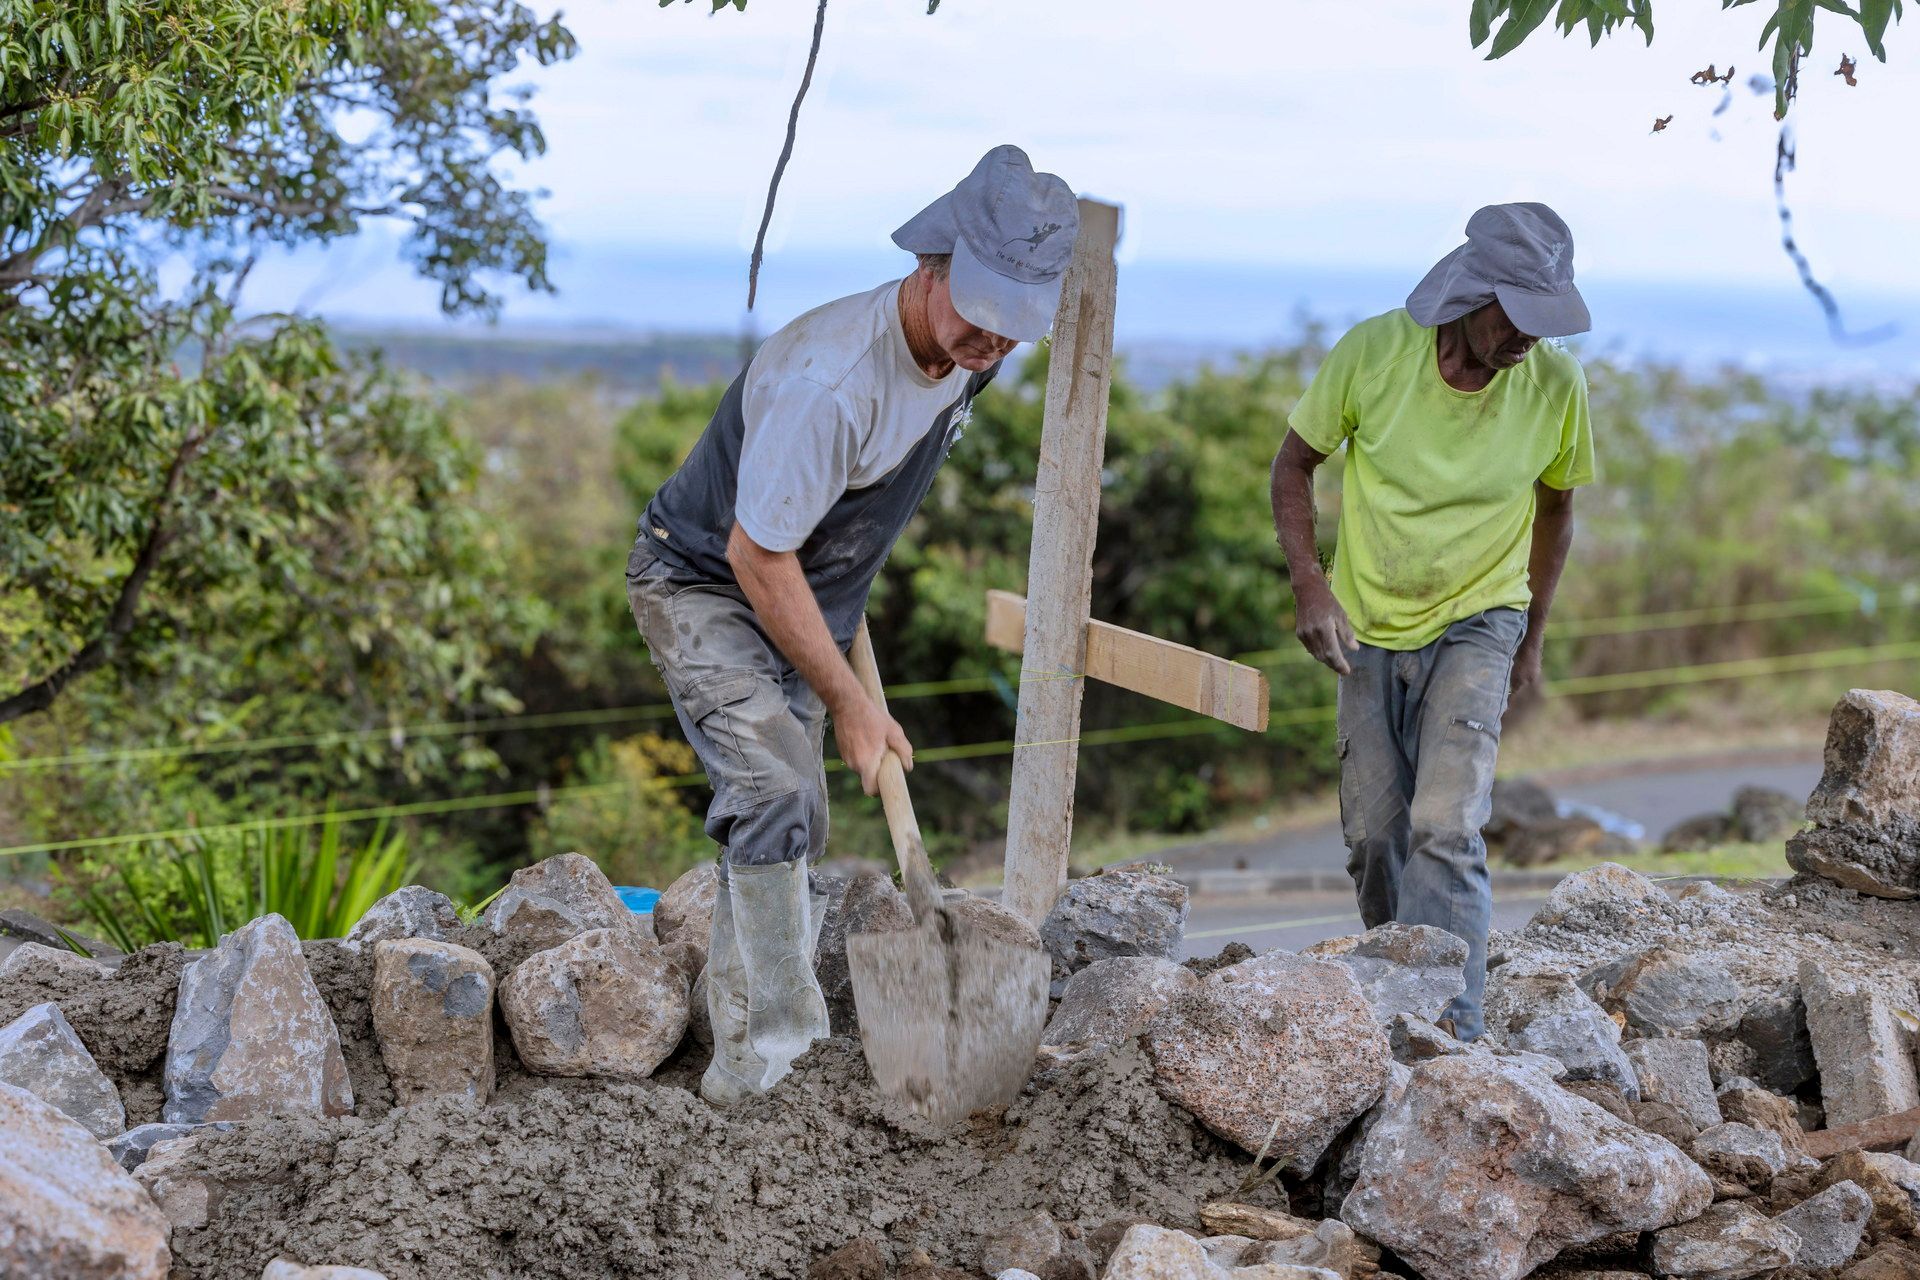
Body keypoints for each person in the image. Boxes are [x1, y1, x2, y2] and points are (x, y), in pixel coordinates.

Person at [624, 145, 1078, 1105]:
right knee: (779, 789)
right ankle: (777, 1062)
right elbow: (756, 556)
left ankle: (740, 1071)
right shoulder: (829, 384)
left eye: (1015, 323)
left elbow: (842, 508)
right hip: (708, 582)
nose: (994, 340)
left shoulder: (966, 355)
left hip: (804, 588)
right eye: (981, 311)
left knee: (778, 820)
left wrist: (841, 599)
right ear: (930, 266)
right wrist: (851, 702)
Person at [1269, 202, 1596, 1040]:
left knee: (1446, 824)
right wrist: (1311, 586)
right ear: (1471, 293)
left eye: (1543, 320)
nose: (1526, 338)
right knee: (1376, 837)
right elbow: (1294, 465)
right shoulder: (1374, 353)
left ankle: (1453, 1028)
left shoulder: (1555, 384)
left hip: (1484, 616)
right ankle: (1397, 1000)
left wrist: (1532, 635)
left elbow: (1557, 509)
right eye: (1514, 316)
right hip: (1369, 623)